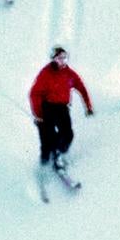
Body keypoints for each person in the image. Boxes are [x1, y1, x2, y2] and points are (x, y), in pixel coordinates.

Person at [28, 46, 93, 189]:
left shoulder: (69, 74)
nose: (62, 60)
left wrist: (88, 106)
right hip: (46, 108)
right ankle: (42, 172)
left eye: (64, 57)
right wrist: (38, 115)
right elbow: (34, 93)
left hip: (62, 108)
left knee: (67, 134)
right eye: (59, 58)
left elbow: (81, 88)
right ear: (53, 59)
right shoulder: (46, 73)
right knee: (46, 141)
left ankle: (58, 155)